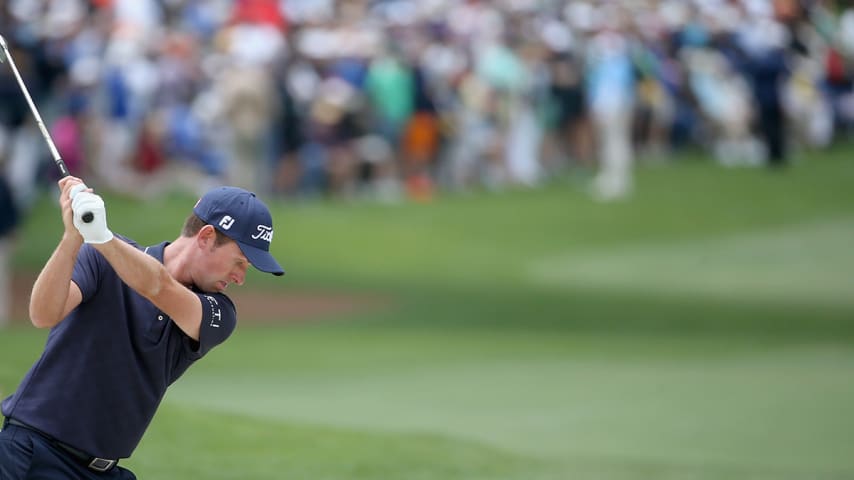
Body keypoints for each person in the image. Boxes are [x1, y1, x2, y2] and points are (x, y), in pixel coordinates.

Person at [0, 177, 284, 479]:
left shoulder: (219, 314)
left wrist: (102, 237)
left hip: (103, 471)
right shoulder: (101, 258)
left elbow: (159, 287)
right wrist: (73, 236)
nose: (240, 278)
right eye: (240, 262)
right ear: (206, 237)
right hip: (29, 454)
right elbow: (43, 314)